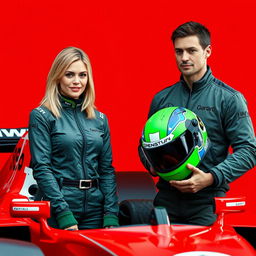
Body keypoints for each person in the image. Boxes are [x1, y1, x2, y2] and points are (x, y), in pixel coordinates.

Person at [139, 21, 256, 226]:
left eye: (191, 50)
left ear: (207, 51)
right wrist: (153, 166)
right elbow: (144, 145)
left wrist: (211, 177)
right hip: (166, 199)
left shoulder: (229, 99)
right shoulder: (162, 99)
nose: (184, 58)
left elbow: (249, 150)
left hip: (206, 202)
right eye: (179, 51)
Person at [29, 46, 119, 230]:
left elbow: (106, 170)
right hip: (59, 210)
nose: (77, 81)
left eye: (82, 75)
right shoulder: (42, 115)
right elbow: (41, 168)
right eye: (69, 75)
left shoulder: (100, 119)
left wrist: (111, 213)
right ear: (57, 77)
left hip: (95, 210)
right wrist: (63, 213)